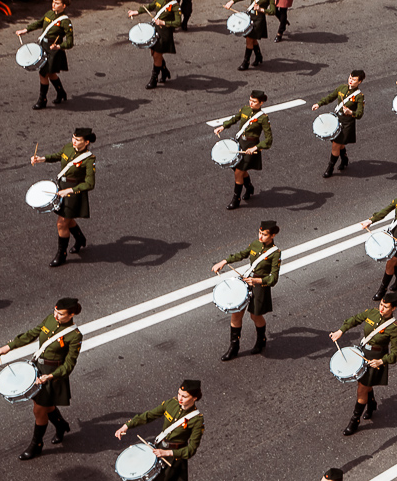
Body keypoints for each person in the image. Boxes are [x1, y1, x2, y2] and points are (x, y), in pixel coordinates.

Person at [0, 298, 83, 460]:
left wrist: (50, 376)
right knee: (43, 406)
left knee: (38, 410)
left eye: (61, 314)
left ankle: (37, 445)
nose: (56, 316)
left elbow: (69, 364)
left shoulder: (74, 336)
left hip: (53, 375)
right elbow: (32, 334)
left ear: (71, 315)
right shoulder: (50, 319)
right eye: (55, 311)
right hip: (38, 369)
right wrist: (8, 347)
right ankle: (61, 425)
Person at [329, 292, 397, 436]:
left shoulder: (394, 328)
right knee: (363, 384)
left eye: (386, 307)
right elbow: (355, 319)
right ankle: (372, 403)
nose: (381, 308)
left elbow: (394, 354)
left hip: (375, 359)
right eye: (381, 304)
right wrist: (341, 331)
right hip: (362, 354)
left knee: (362, 389)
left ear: (393, 309)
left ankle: (354, 420)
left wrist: (381, 361)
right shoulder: (372, 313)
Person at [210, 220, 282, 359]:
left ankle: (261, 340)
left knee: (255, 316)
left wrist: (257, 281)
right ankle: (234, 347)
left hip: (260, 285)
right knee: (236, 313)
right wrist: (224, 262)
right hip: (246, 281)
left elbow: (273, 279)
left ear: (272, 235)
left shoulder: (275, 253)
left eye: (265, 234)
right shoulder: (255, 244)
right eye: (260, 232)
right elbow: (242, 254)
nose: (261, 237)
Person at [31, 128, 96, 267]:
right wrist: (41, 159)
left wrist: (70, 190)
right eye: (73, 137)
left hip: (73, 193)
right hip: (61, 187)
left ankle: (62, 254)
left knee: (61, 223)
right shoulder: (68, 147)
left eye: (78, 140)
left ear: (86, 142)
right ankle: (80, 239)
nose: (74, 141)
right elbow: (57, 156)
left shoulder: (89, 159)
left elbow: (90, 184)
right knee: (66, 218)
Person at [115, 380, 205, 479]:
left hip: (175, 457)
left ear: (194, 398)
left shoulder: (197, 420)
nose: (180, 398)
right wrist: (127, 426)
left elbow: (191, 450)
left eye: (184, 396)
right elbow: (149, 415)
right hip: (160, 446)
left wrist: (166, 453)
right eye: (179, 394)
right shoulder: (171, 403)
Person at [214, 90, 273, 210]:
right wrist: (223, 126)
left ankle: (236, 199)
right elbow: (235, 118)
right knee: (237, 168)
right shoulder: (245, 109)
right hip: (240, 143)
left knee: (238, 172)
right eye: (250, 100)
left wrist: (256, 148)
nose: (251, 103)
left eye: (254, 102)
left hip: (251, 146)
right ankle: (249, 187)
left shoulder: (263, 118)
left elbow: (269, 140)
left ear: (261, 103)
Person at [16, 0, 74, 110]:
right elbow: (39, 23)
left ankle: (42, 100)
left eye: (57, 3)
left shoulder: (65, 22)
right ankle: (61, 92)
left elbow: (70, 42)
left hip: (53, 50)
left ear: (64, 6)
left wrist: (58, 46)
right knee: (50, 73)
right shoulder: (49, 14)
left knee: (43, 73)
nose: (53, 5)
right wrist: (25, 30)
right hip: (43, 46)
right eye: (53, 2)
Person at [127, 0, 182, 89]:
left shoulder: (175, 6)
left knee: (157, 55)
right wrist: (136, 12)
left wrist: (164, 23)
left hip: (165, 33)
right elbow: (150, 6)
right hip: (155, 30)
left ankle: (154, 79)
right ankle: (164, 70)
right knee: (154, 53)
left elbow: (178, 22)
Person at [312, 70, 365, 178]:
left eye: (354, 80)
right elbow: (330, 97)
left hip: (347, 122)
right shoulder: (342, 88)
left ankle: (330, 168)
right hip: (337, 119)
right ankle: (344, 159)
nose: (351, 81)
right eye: (350, 78)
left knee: (335, 144)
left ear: (359, 82)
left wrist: (350, 112)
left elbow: (359, 114)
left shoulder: (359, 96)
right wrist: (319, 103)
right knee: (340, 144)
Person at [224, 0, 276, 71]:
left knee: (249, 40)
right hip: (250, 18)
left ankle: (246, 62)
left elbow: (273, 11)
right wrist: (232, 1)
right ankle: (259, 56)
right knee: (253, 39)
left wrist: (260, 9)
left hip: (258, 20)